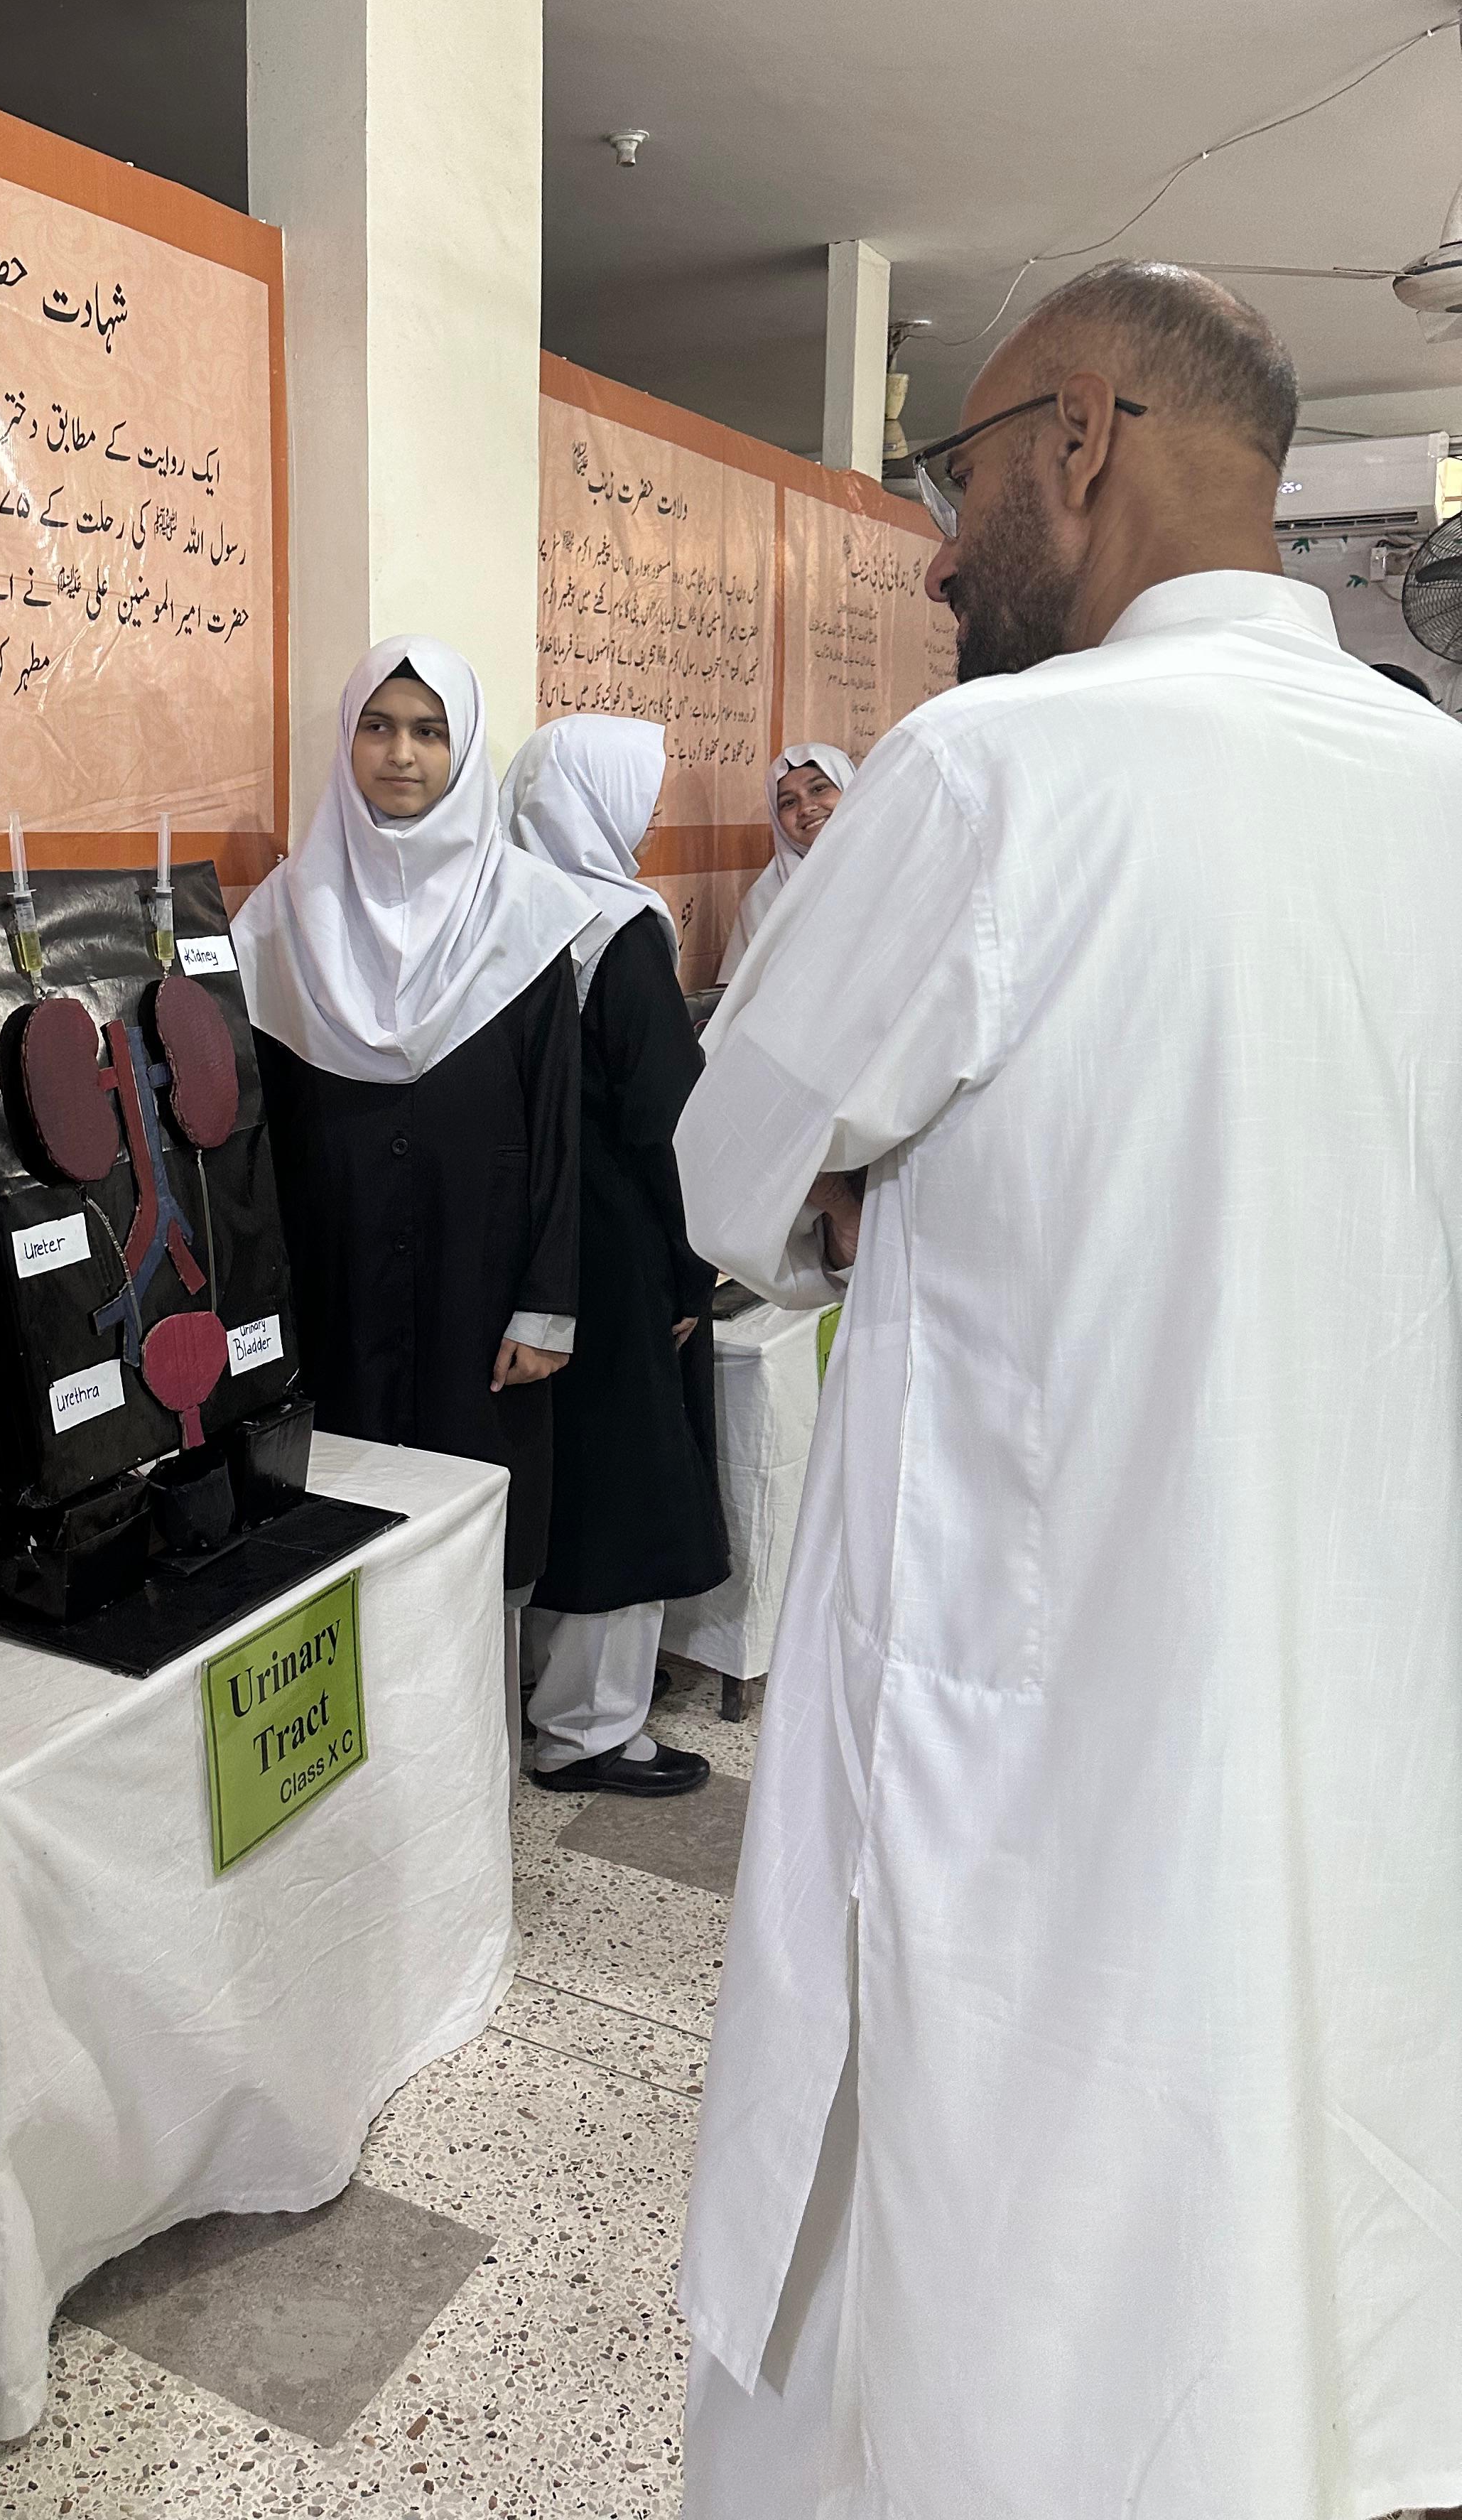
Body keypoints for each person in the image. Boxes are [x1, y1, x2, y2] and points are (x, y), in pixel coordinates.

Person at [672, 261, 1462, 2518]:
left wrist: (862, 1188)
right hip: (1359, 1714)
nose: (940, 551)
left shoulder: (995, 768)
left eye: (959, 476)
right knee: (1290, 2244)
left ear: (1085, 437)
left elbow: (731, 1172)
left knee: (985, 2297)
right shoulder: (1443, 787)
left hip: (1036, 1748)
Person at [234, 636, 595, 1596]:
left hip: (483, 1289)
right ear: (346, 743)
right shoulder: (279, 919)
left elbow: (561, 1130)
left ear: (462, 748)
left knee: (477, 1548)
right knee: (344, 1538)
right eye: (379, 727)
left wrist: (548, 1307)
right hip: (335, 1287)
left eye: (430, 732)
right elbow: (254, 1142)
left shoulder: (528, 913)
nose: (402, 754)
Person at [499, 714, 726, 1797]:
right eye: (641, 789)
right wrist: (692, 1266)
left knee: (560, 1470)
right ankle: (591, 1728)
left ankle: (550, 1689)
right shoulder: (619, 927)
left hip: (526, 1244)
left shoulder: (499, 909)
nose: (651, 811)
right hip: (620, 1243)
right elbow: (667, 1118)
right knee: (629, 1476)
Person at [716, 743, 855, 980]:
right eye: (789, 802)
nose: (806, 808)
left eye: (819, 789)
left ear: (852, 788)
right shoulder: (767, 899)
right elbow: (737, 991)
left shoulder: (894, 870)